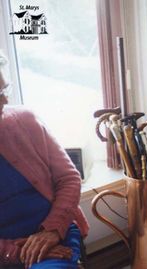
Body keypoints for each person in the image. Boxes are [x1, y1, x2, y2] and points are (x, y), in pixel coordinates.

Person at [0, 51, 89, 268]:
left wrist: (52, 230)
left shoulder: (26, 121)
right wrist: (16, 252)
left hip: (56, 233)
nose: (5, 99)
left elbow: (69, 178)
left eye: (3, 89)